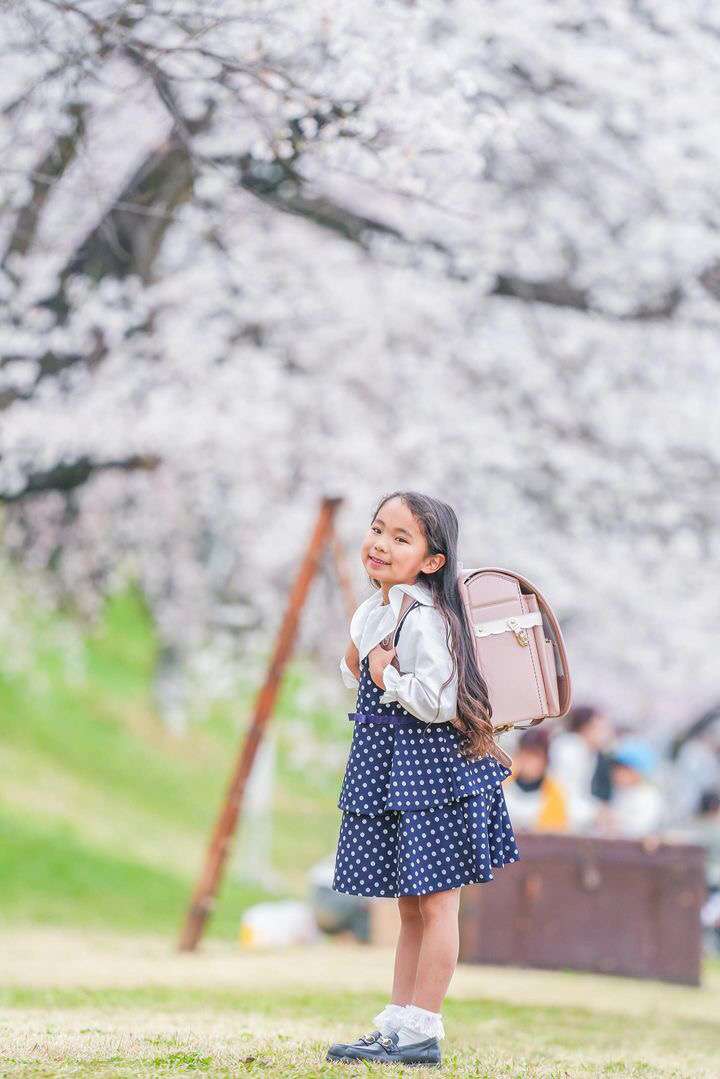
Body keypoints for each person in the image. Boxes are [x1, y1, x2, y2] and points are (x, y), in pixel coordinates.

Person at [326, 491, 520, 1067]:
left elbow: (436, 701)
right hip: (400, 773)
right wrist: (366, 660)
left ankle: (423, 1030)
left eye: (401, 538)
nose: (380, 544)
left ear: (433, 561)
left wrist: (387, 675)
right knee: (410, 906)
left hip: (439, 777)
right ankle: (398, 1023)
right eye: (377, 529)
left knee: (437, 906)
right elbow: (353, 673)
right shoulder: (377, 609)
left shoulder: (428, 617)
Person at [547, 704, 613, 833]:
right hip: (555, 819)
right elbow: (563, 793)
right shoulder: (569, 748)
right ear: (586, 728)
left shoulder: (588, 751)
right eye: (601, 728)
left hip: (572, 816)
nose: (606, 734)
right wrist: (595, 813)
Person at [503, 728, 569, 832]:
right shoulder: (502, 782)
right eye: (525, 753)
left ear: (546, 760)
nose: (528, 760)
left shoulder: (556, 793)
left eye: (535, 755)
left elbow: (557, 832)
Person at [597, 738, 664, 838]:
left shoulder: (648, 796)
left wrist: (612, 821)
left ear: (638, 771)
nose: (615, 773)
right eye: (615, 768)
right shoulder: (619, 792)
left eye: (622, 769)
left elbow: (640, 828)